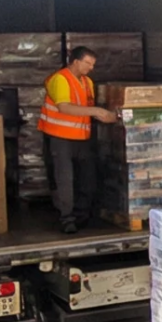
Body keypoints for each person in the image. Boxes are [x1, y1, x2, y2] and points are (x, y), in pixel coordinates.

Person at [40, 48, 117, 234]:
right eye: (88, 63)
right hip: (60, 137)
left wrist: (106, 116)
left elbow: (85, 108)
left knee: (87, 179)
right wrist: (96, 111)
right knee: (64, 180)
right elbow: (64, 107)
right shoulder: (60, 79)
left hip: (82, 137)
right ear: (75, 61)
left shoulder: (87, 82)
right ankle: (66, 219)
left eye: (93, 64)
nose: (91, 68)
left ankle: (81, 217)